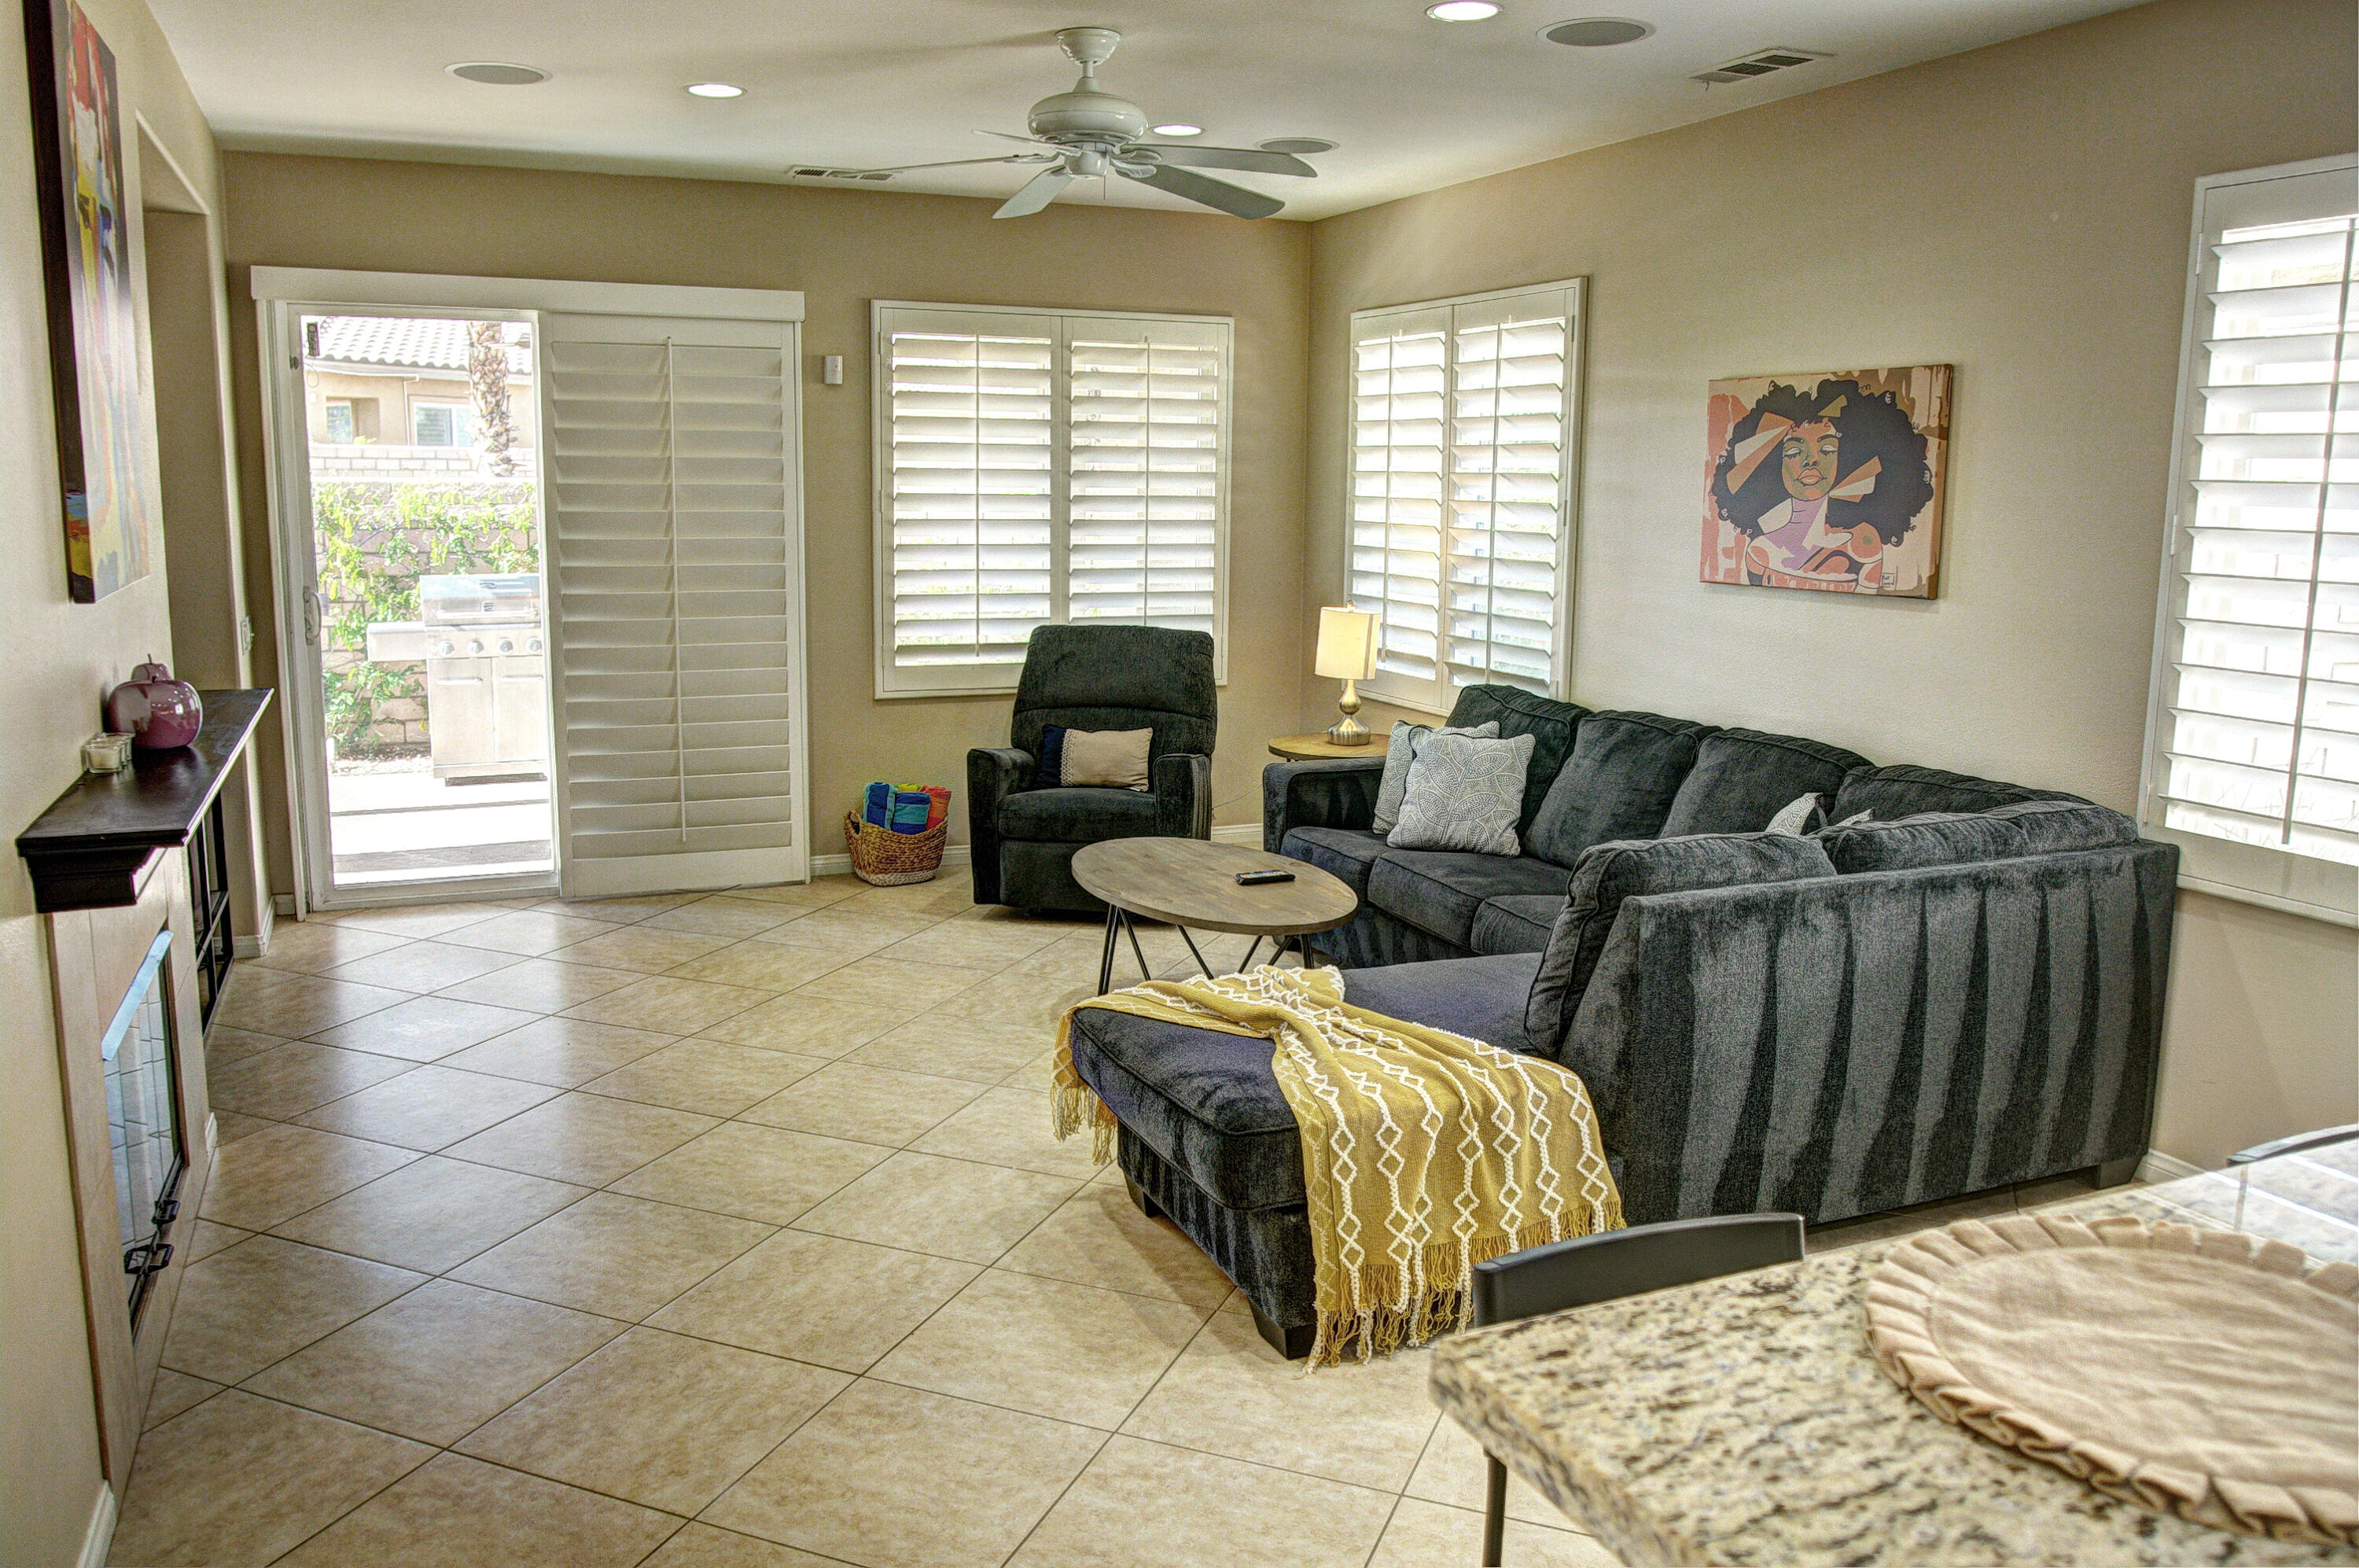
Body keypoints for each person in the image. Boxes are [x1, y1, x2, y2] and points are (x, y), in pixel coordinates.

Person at [1708, 377, 1934, 593]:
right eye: (1795, 452)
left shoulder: (1862, 544)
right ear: (1775, 464)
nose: (1811, 460)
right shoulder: (1760, 552)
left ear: (1844, 460)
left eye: (1827, 450)